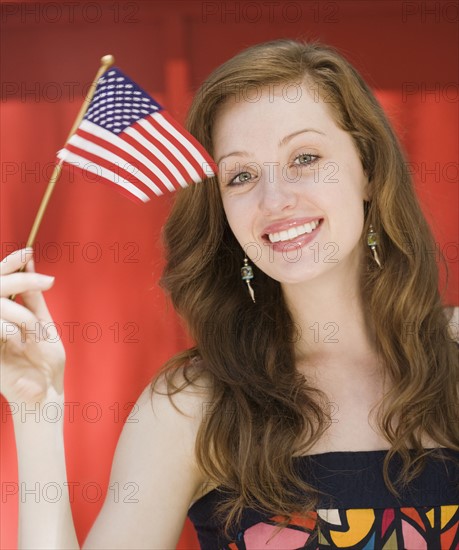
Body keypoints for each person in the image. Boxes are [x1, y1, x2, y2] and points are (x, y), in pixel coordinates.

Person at [1, 39, 458, 549]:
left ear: (368, 169)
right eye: (240, 175)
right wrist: (38, 408)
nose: (276, 200)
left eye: (304, 158)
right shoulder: (195, 404)